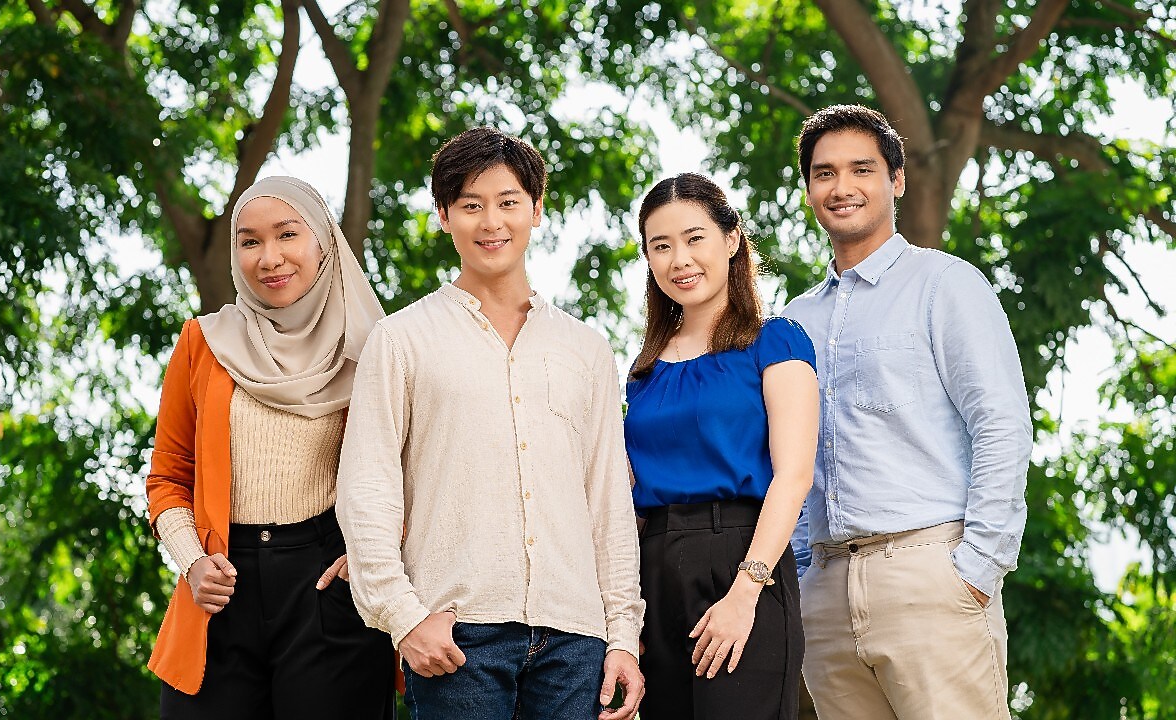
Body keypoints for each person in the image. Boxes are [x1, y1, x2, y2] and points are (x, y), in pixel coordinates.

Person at [336, 127, 645, 720]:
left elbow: (608, 500)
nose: (491, 222)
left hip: (577, 638)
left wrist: (623, 637)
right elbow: (367, 488)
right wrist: (404, 618)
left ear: (536, 209)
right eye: (471, 205)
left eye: (508, 202)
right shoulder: (401, 339)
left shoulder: (586, 349)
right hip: (456, 634)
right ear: (444, 215)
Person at [782, 104, 1033, 719]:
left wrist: (976, 568)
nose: (841, 187)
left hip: (932, 575)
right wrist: (803, 575)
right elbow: (792, 461)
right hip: (826, 596)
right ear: (809, 190)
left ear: (896, 180)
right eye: (824, 173)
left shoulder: (945, 284)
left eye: (861, 169)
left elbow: (1001, 425)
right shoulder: (792, 321)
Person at [145, 176, 394, 718]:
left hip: (330, 586)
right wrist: (193, 563)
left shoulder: (374, 349)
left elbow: (409, 475)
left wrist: (369, 557)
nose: (269, 258)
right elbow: (168, 478)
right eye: (250, 241)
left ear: (323, 242)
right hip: (220, 587)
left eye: (287, 234)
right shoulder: (202, 343)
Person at [623, 173, 818, 719]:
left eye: (694, 238)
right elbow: (629, 493)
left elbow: (794, 476)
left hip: (742, 558)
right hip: (654, 572)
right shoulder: (643, 372)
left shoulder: (775, 340)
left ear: (731, 240)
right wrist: (625, 614)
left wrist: (745, 591)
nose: (679, 259)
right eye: (661, 246)